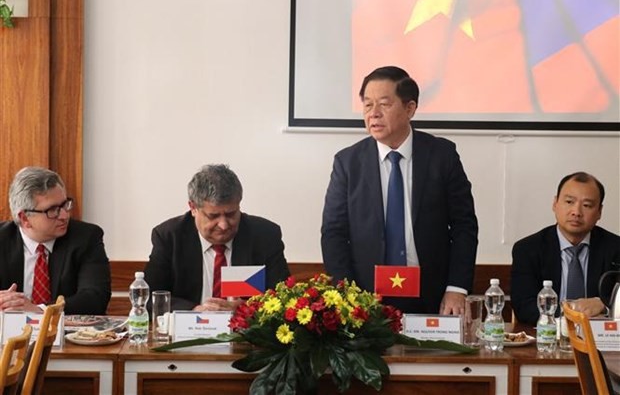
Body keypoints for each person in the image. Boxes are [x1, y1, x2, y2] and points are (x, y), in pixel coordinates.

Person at [321, 66, 478, 315]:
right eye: (367, 105)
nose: (373, 114)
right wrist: (346, 294)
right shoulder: (348, 163)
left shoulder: (442, 156)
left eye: (384, 104)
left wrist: (456, 288)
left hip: (432, 292)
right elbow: (333, 233)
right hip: (366, 295)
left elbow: (464, 226)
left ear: (410, 108)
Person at [144, 164, 290, 312]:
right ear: (193, 208)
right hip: (189, 332)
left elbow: (285, 298)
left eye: (231, 214)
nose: (224, 225)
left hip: (246, 332)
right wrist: (193, 310)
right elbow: (149, 298)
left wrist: (245, 309)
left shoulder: (264, 235)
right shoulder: (170, 237)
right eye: (213, 216)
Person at [511, 172, 620, 325]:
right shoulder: (528, 249)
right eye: (569, 202)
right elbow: (523, 306)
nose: (576, 212)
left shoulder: (615, 248)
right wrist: (570, 312)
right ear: (555, 204)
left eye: (587, 205)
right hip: (547, 337)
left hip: (600, 340)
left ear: (599, 212)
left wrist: (605, 305)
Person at [0, 167, 111, 315]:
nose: (64, 215)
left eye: (65, 204)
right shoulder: (2, 239)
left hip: (68, 335)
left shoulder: (86, 237)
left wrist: (40, 310)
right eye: (52, 210)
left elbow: (95, 298)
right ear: (25, 218)